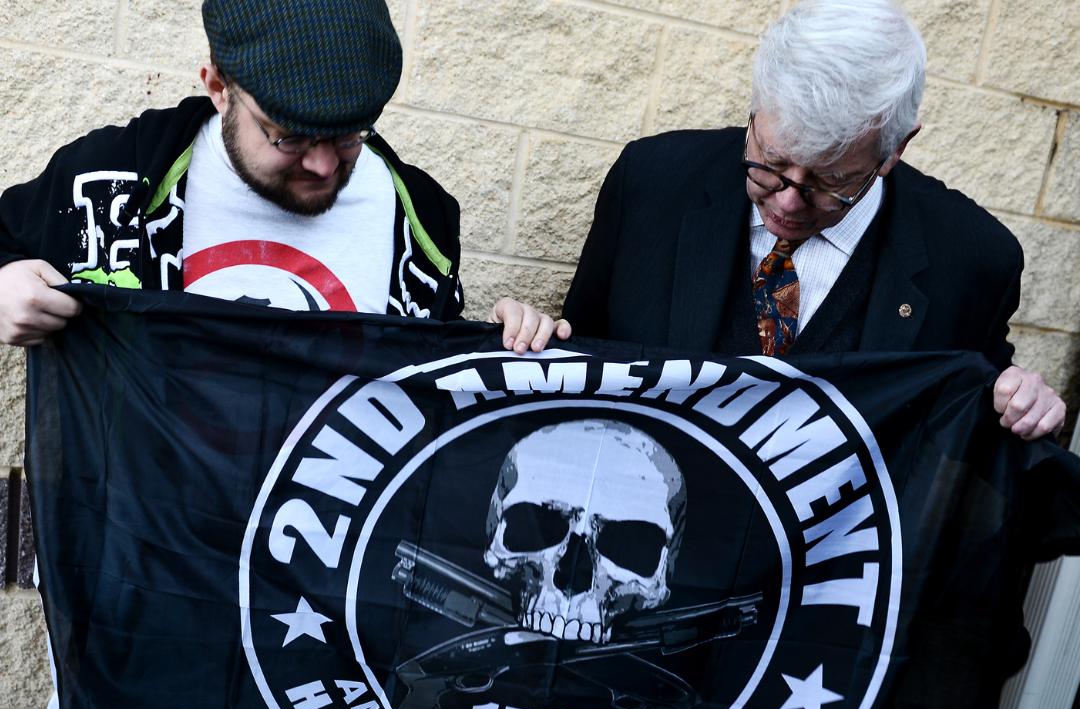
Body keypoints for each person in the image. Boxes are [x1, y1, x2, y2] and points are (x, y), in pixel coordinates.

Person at [543, 0, 1063, 441]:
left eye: (830, 181)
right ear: (756, 109)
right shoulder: (651, 184)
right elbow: (574, 367)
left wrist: (1024, 408)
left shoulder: (973, 262)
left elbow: (970, 447)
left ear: (895, 150)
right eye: (770, 164)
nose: (789, 203)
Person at [0, 0, 566, 354]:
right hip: (135, 542)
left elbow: (419, 401)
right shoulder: (111, 184)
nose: (323, 165)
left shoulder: (422, 223)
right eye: (288, 136)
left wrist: (505, 342)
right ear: (218, 87)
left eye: (349, 136)